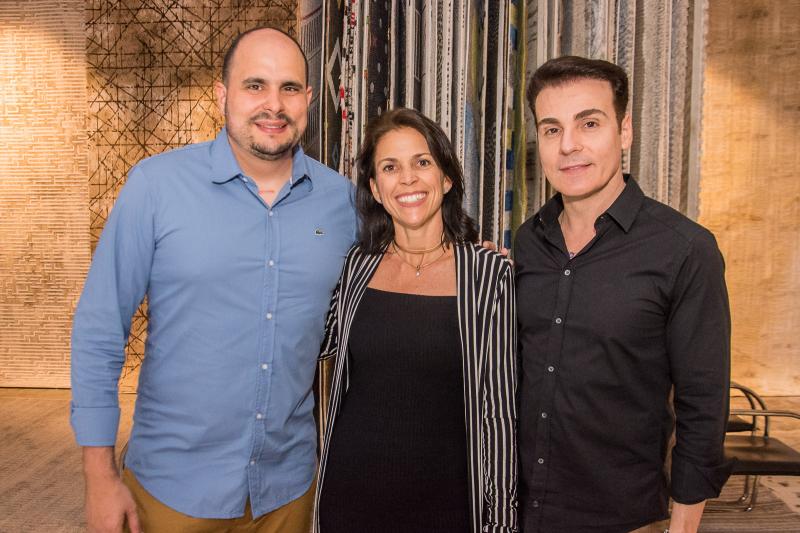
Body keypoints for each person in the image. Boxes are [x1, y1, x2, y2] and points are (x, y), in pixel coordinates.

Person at [70, 27, 356, 533]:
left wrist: (473, 258)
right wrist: (98, 475)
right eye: (255, 85)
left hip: (288, 493)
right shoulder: (156, 187)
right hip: (173, 491)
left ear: (309, 99)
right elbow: (99, 328)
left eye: (289, 88)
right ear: (222, 95)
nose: (274, 105)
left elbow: (398, 273)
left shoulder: (343, 202)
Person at [515, 56, 732, 533]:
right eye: (551, 129)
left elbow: (703, 407)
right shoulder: (527, 242)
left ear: (625, 130)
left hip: (624, 517)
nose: (568, 145)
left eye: (589, 123)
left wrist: (683, 528)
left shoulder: (684, 250)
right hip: (521, 511)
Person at [312, 108, 518, 533]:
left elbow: (499, 414)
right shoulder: (357, 265)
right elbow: (311, 344)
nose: (407, 179)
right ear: (375, 188)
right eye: (390, 167)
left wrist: (501, 520)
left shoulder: (488, 274)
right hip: (349, 501)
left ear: (447, 178)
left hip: (446, 507)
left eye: (422, 162)